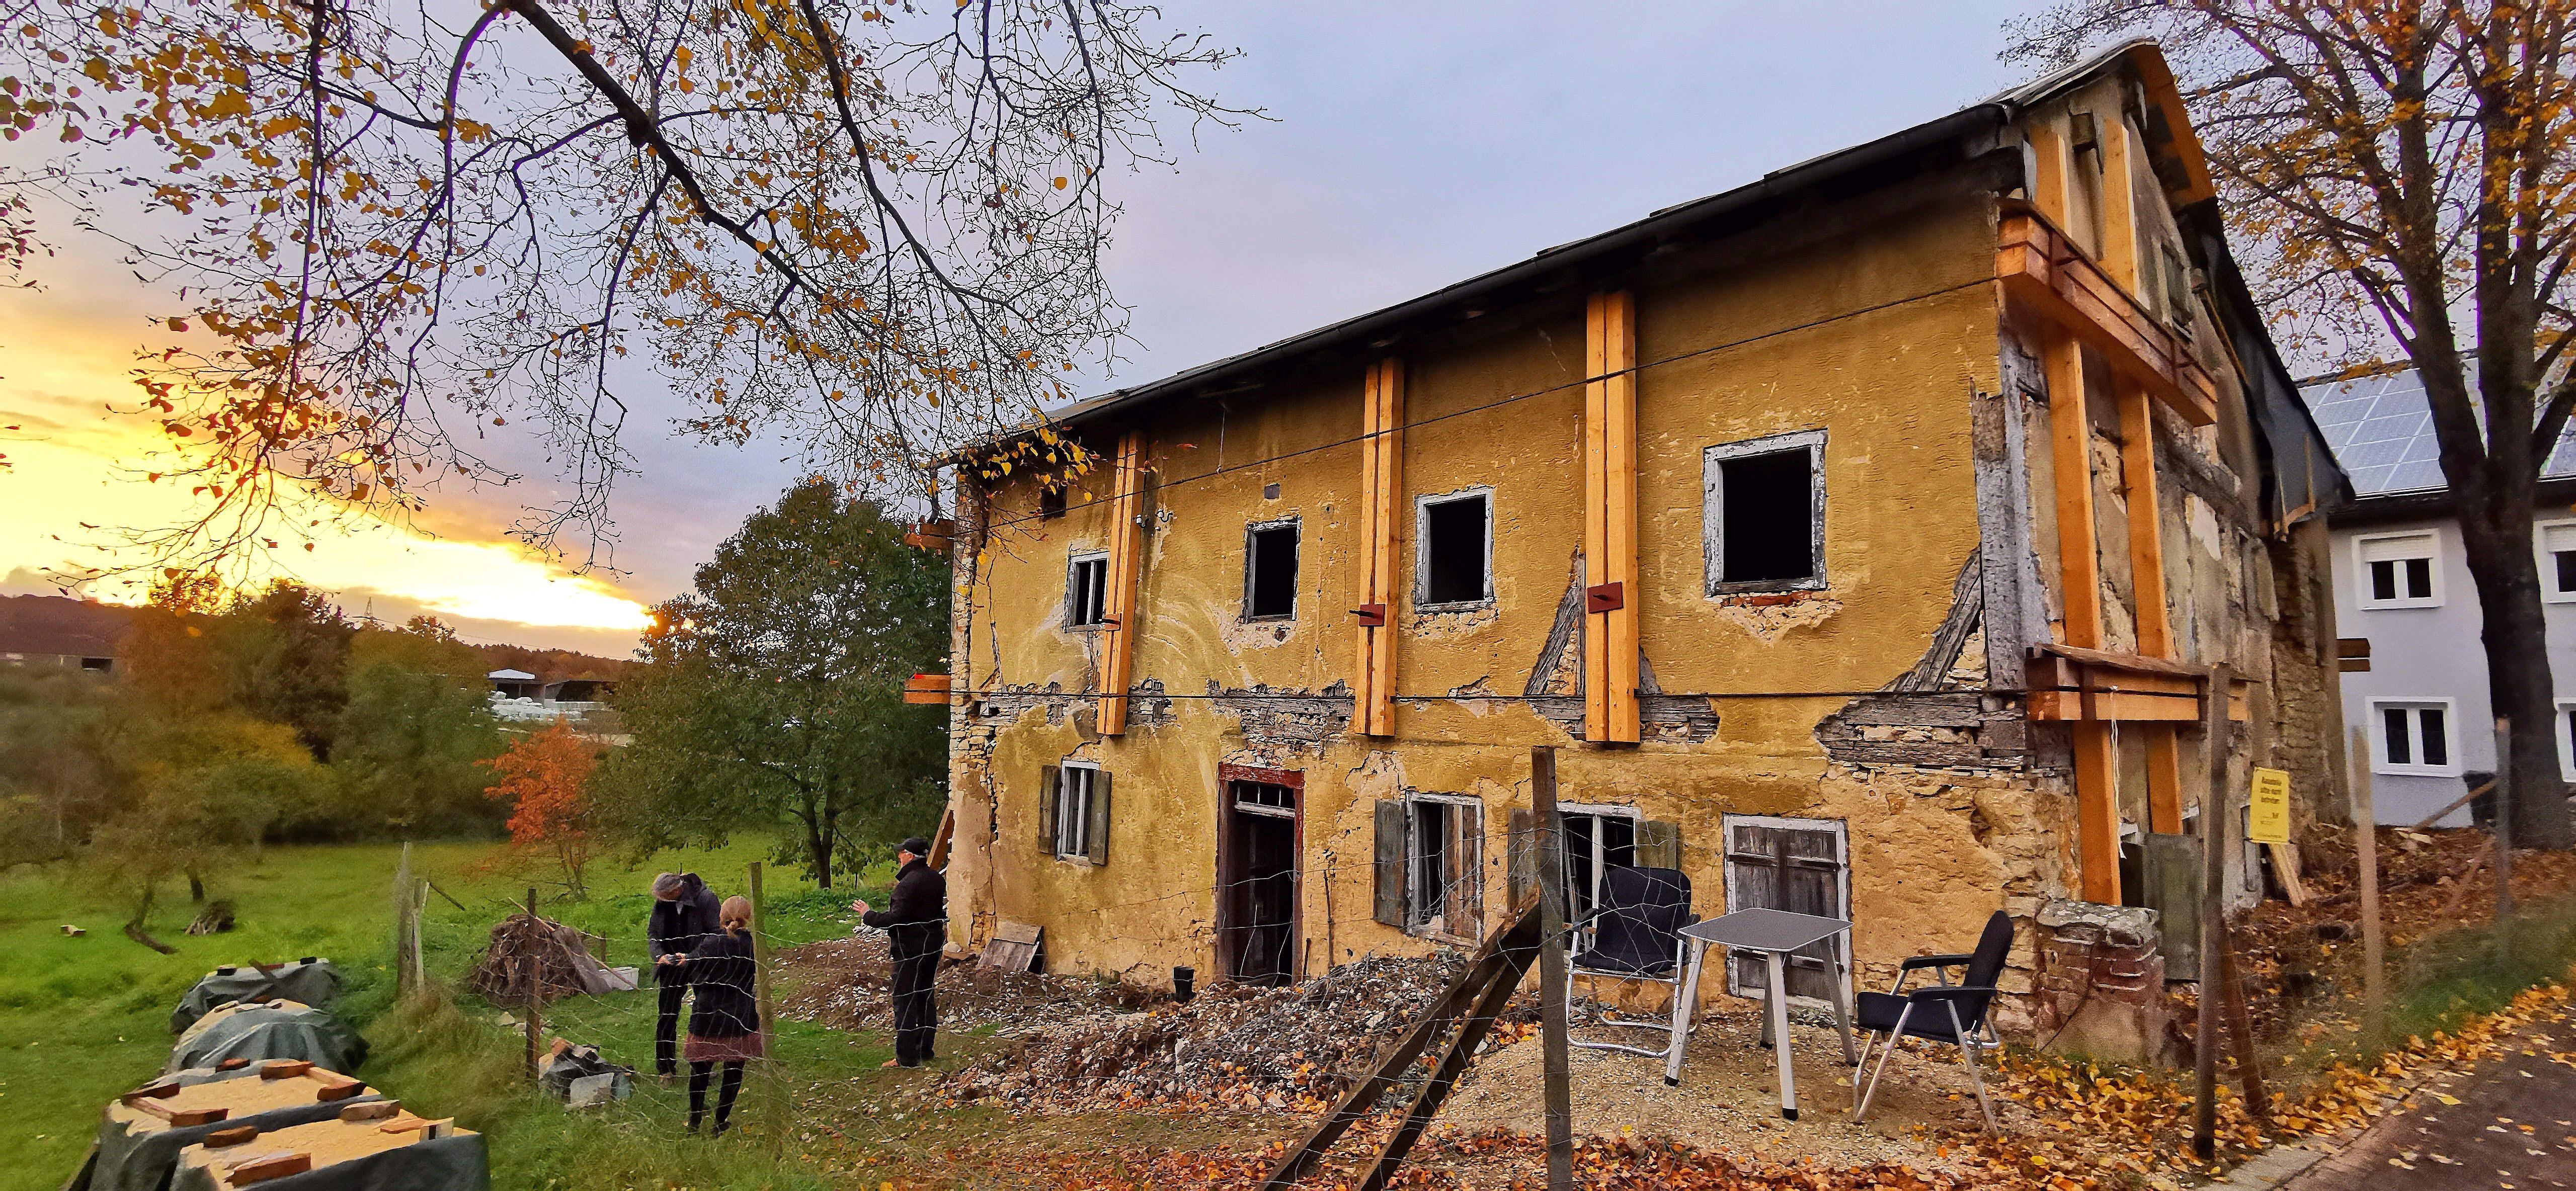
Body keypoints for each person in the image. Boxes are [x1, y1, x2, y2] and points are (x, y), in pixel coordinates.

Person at [670, 894, 764, 1135]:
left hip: (708, 1015)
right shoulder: (752, 944)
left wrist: (679, 960)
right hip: (740, 1016)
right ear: (748, 918)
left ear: (721, 917)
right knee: (734, 1072)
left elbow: (689, 964)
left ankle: (694, 1123)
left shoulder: (710, 943)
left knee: (700, 1070)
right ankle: (720, 1123)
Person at [852, 835, 945, 1068]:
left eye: (901, 853)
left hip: (909, 948)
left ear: (910, 856)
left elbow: (896, 919)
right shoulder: (936, 879)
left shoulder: (908, 884)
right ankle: (925, 1049)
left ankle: (906, 1057)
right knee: (925, 994)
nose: (898, 856)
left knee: (905, 998)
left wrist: (867, 915)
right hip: (932, 944)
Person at [646, 871, 720, 1087]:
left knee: (705, 1014)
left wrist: (691, 957)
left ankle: (703, 1066)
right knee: (667, 1016)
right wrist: (659, 956)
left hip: (699, 963)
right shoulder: (663, 902)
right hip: (671, 965)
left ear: (677, 890)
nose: (661, 901)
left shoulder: (706, 899)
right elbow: (653, 933)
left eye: (665, 897)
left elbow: (715, 935)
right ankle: (666, 1069)